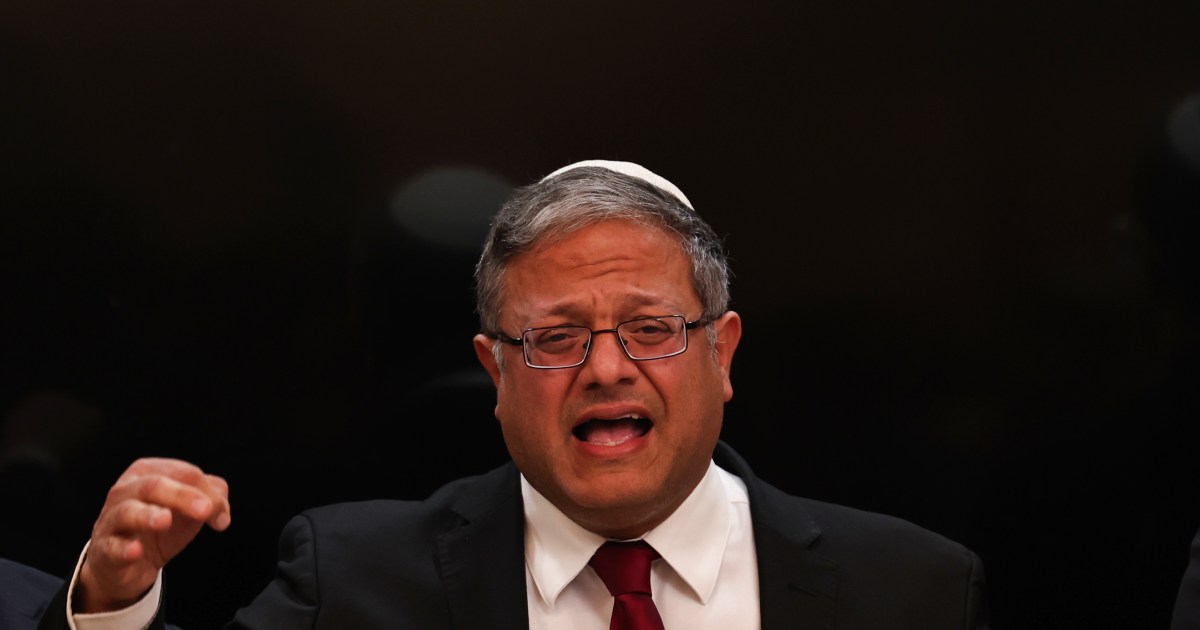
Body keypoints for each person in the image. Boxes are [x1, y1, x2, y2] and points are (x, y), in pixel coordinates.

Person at [41, 160, 989, 629]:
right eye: (556, 339)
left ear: (722, 352)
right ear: (495, 375)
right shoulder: (353, 581)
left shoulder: (911, 591)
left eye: (650, 328)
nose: (606, 369)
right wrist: (115, 603)